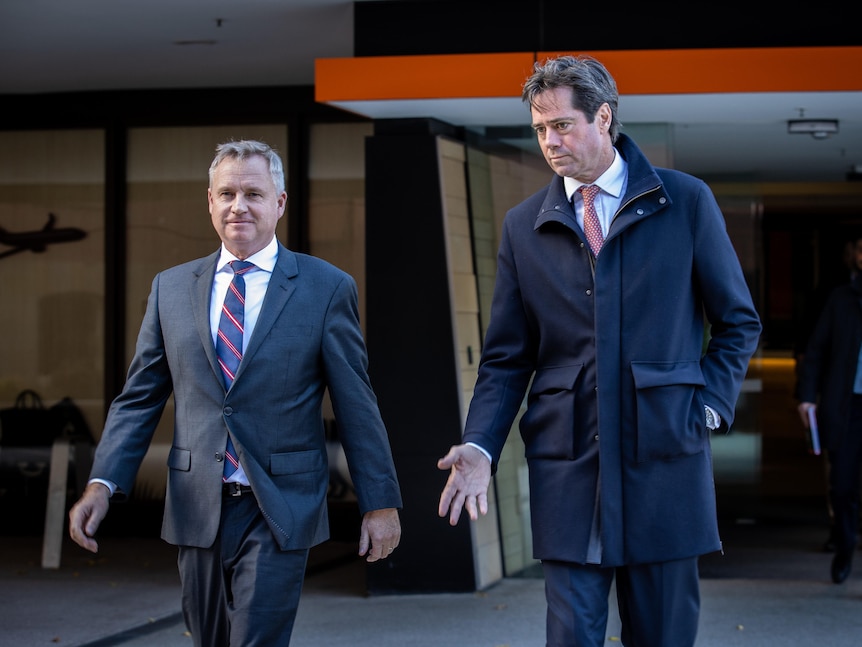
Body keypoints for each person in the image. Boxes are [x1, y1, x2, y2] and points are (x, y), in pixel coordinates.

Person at [437, 55, 761, 647]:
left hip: (663, 458)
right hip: (570, 469)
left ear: (603, 116)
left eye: (561, 125)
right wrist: (480, 443)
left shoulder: (683, 202)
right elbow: (508, 358)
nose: (549, 141)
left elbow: (738, 321)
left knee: (662, 635)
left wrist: (707, 405)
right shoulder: (522, 226)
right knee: (571, 636)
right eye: (539, 129)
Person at [69, 139, 402, 646]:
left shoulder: (325, 287)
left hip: (279, 503)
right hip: (195, 502)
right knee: (210, 639)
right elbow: (139, 397)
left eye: (253, 193)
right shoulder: (171, 288)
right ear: (209, 200)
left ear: (280, 203)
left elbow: (356, 403)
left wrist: (379, 503)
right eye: (226, 193)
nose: (238, 206)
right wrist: (102, 483)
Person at [797, 233, 862, 584]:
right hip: (847, 405)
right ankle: (845, 547)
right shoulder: (841, 299)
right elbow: (816, 351)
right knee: (842, 485)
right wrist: (807, 396)